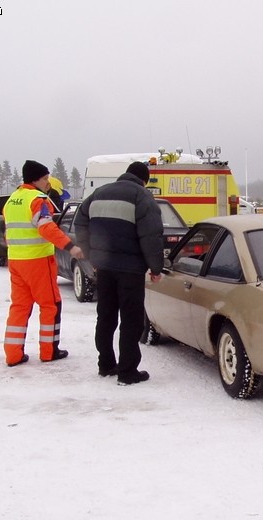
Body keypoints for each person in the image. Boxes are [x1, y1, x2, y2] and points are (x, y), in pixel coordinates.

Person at [74, 161, 163, 385]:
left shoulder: (98, 194)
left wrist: (91, 254)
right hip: (130, 270)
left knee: (106, 317)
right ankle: (127, 372)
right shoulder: (141, 196)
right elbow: (151, 235)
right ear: (144, 179)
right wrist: (155, 268)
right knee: (131, 320)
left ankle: (105, 364)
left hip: (104, 267)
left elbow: (80, 223)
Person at [3, 160, 85, 367]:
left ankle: (13, 355)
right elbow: (46, 229)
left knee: (20, 306)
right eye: (45, 179)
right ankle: (49, 351)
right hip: (38, 261)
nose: (48, 183)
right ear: (35, 179)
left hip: (16, 261)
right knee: (50, 304)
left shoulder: (12, 199)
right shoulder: (38, 200)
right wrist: (70, 247)